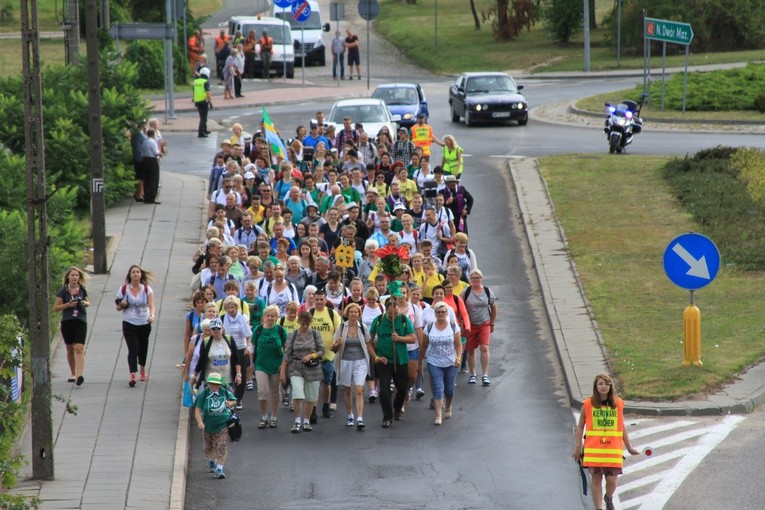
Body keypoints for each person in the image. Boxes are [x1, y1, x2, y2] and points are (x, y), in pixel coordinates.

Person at [573, 373, 640, 510]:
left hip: (612, 451)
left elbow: (621, 426)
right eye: (600, 384)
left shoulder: (618, 404)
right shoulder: (587, 404)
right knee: (596, 480)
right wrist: (578, 447)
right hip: (594, 451)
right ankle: (598, 508)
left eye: (606, 384)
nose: (603, 387)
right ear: (595, 387)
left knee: (612, 481)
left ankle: (608, 497)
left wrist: (629, 447)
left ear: (610, 386)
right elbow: (580, 427)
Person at [369, 285, 415, 428]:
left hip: (400, 360)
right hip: (383, 361)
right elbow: (369, 341)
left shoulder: (403, 320)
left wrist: (400, 338)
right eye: (390, 315)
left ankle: (397, 408)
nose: (393, 317)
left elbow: (413, 338)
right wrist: (375, 357)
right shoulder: (378, 320)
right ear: (386, 310)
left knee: (402, 388)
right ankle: (387, 416)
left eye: (395, 314)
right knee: (384, 390)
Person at [280, 311, 325, 432]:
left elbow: (322, 351)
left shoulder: (316, 334)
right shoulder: (293, 335)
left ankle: (306, 420)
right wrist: (283, 371)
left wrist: (311, 356)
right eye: (303, 323)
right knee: (298, 393)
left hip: (313, 368)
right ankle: (297, 421)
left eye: (307, 324)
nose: (305, 326)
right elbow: (286, 354)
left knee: (311, 397)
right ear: (299, 322)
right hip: (296, 366)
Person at [418, 302, 462, 425]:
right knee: (438, 388)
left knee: (449, 389)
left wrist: (458, 358)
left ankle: (448, 407)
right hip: (434, 362)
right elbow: (423, 346)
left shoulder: (453, 327)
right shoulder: (429, 327)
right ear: (435, 313)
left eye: (443, 312)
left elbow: (458, 345)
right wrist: (419, 363)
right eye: (438, 312)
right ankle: (438, 415)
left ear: (447, 313)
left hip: (451, 363)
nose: (441, 314)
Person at [331, 303, 373, 430]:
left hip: (360, 361)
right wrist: (337, 343)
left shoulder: (363, 328)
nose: (353, 314)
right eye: (351, 312)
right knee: (347, 390)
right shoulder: (342, 327)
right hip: (345, 361)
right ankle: (350, 415)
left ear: (359, 314)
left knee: (359, 390)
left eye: (356, 312)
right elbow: (333, 349)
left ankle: (360, 418)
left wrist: (375, 357)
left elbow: (368, 343)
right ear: (347, 314)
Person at [115, 265, 156, 388]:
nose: (136, 274)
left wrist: (152, 315)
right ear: (130, 275)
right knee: (133, 349)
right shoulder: (123, 289)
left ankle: (142, 369)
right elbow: (117, 308)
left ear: (141, 275)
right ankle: (132, 374)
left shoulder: (147, 290)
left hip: (144, 322)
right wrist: (122, 304)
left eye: (138, 272)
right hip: (129, 322)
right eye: (133, 272)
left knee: (143, 347)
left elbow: (152, 305)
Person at [194, 372, 237, 479]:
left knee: (221, 445)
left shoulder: (224, 392)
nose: (215, 386)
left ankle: (219, 469)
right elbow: (197, 410)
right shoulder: (203, 394)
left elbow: (234, 401)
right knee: (209, 446)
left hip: (222, 423)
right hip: (208, 425)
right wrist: (200, 422)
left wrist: (229, 403)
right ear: (209, 384)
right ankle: (212, 460)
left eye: (217, 384)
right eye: (212, 384)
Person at [252, 305, 287, 429]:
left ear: (277, 317)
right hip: (261, 364)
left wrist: (283, 367)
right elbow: (252, 348)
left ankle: (274, 416)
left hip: (276, 365)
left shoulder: (281, 331)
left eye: (273, 316)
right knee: (262, 391)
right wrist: (252, 364)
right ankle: (263, 416)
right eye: (268, 315)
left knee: (275, 393)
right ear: (264, 317)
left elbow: (286, 350)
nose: (270, 318)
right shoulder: (258, 329)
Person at [53, 266, 90, 386]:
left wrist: (84, 303)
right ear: (68, 277)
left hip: (80, 320)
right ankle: (73, 373)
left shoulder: (82, 289)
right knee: (70, 348)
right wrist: (68, 305)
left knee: (79, 348)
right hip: (67, 321)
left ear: (79, 278)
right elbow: (56, 308)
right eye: (73, 275)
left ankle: (79, 375)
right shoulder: (63, 291)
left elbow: (88, 302)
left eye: (77, 275)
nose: (75, 277)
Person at [461, 269, 497, 386]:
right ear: (470, 280)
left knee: (484, 348)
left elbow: (494, 307)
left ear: (482, 278)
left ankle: (485, 375)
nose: (475, 280)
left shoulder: (487, 291)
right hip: (470, 325)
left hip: (484, 323)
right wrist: (463, 324)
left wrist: (491, 323)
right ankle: (473, 374)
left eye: (478, 278)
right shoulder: (466, 292)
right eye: (473, 278)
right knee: (470, 350)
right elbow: (461, 308)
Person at [221, 296, 252, 409]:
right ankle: (229, 397)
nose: (230, 310)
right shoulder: (222, 318)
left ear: (236, 307)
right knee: (230, 373)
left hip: (241, 348)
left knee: (241, 374)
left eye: (232, 307)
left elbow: (248, 334)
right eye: (228, 308)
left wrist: (248, 347)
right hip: (228, 349)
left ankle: (238, 399)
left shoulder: (242, 317)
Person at [142, 128, 161, 204]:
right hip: (152, 160)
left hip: (145, 160)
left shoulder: (144, 141)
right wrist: (160, 152)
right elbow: (156, 153)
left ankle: (146, 196)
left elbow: (142, 152)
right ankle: (151, 197)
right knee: (154, 179)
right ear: (153, 134)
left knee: (146, 179)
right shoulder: (152, 142)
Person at [194, 67, 213, 138]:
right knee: (203, 118)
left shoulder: (196, 81)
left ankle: (204, 130)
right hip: (204, 101)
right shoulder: (205, 82)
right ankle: (201, 133)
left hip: (197, 101)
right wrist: (210, 101)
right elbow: (208, 92)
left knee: (202, 117)